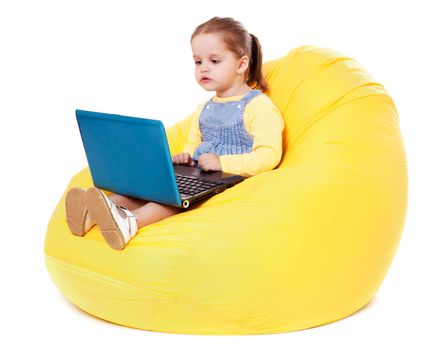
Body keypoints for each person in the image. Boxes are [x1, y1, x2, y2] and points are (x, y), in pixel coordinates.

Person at [65, 16, 285, 250]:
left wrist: (222, 163)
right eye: (198, 61)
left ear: (241, 64)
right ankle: (97, 209)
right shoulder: (205, 108)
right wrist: (186, 157)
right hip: (200, 176)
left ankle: (131, 223)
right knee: (151, 188)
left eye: (214, 60)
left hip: (230, 182)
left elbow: (269, 155)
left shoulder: (257, 106)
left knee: (172, 199)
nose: (204, 68)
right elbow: (195, 145)